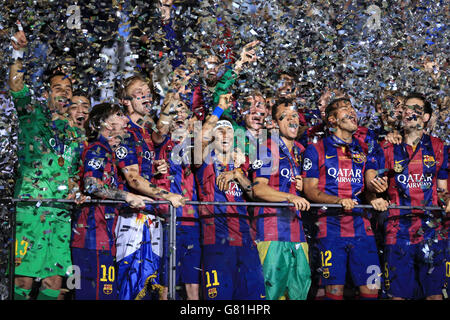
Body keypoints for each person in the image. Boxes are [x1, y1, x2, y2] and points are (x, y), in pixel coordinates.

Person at [9, 57, 84, 300]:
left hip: (60, 213)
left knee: (54, 281)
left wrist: (75, 189)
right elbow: (17, 87)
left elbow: (73, 173)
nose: (64, 93)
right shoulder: (32, 116)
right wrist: (17, 53)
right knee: (24, 277)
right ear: (46, 94)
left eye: (68, 90)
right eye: (58, 89)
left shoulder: (74, 133)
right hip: (31, 211)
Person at [302, 97, 389, 300]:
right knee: (334, 291)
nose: (351, 112)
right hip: (330, 227)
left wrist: (376, 194)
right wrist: (338, 201)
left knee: (372, 287)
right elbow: (310, 191)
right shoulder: (315, 149)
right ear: (331, 119)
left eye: (352, 108)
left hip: (362, 227)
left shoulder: (365, 148)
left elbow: (369, 185)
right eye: (344, 109)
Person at [114, 74, 186, 300]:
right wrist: (166, 195)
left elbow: (159, 135)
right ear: (126, 100)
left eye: (148, 92)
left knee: (152, 286)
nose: (146, 95)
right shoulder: (123, 131)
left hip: (150, 215)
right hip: (130, 219)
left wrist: (155, 169)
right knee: (130, 285)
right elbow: (133, 179)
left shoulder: (143, 131)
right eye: (139, 92)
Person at [71, 103, 151, 300]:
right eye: (119, 115)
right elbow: (91, 186)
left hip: (103, 237)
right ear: (104, 123)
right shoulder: (97, 149)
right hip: (91, 237)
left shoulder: (107, 151)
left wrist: (134, 197)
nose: (126, 120)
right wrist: (127, 196)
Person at [375, 93, 449, 300]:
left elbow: (442, 189)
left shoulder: (439, 147)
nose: (408, 111)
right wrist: (375, 193)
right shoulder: (387, 146)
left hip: (431, 230)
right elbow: (374, 185)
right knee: (397, 295)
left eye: (415, 108)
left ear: (425, 117)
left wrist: (447, 200)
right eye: (406, 107)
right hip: (397, 230)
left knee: (434, 295)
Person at [195, 93, 266, 300]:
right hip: (216, 242)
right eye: (220, 131)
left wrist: (237, 174)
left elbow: (253, 194)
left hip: (246, 242)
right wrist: (218, 109)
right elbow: (201, 138)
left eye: (229, 130)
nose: (225, 134)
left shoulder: (241, 165)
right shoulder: (205, 162)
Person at [251, 97, 312, 300]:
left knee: (299, 293)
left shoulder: (302, 152)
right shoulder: (266, 148)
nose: (291, 119)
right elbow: (258, 189)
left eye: (294, 115)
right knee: (271, 295)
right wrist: (290, 197)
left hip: (298, 234)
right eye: (284, 117)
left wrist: (303, 187)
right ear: (275, 124)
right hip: (271, 232)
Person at [152, 96, 201, 300]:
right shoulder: (159, 141)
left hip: (191, 219)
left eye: (182, 110)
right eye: (173, 110)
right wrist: (155, 171)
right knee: (166, 284)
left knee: (193, 286)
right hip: (166, 220)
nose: (178, 114)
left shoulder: (197, 144)